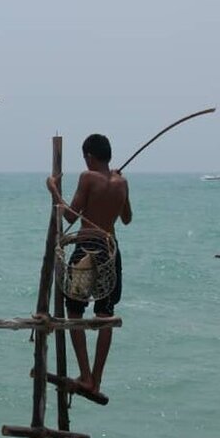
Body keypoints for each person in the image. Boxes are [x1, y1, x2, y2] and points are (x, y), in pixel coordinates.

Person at [46, 133, 132, 395]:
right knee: (105, 316)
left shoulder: (88, 178)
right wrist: (119, 189)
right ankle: (96, 379)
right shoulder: (122, 182)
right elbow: (126, 218)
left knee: (74, 312)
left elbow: (71, 215)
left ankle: (84, 374)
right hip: (110, 250)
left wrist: (53, 189)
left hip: (86, 247)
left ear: (90, 157)